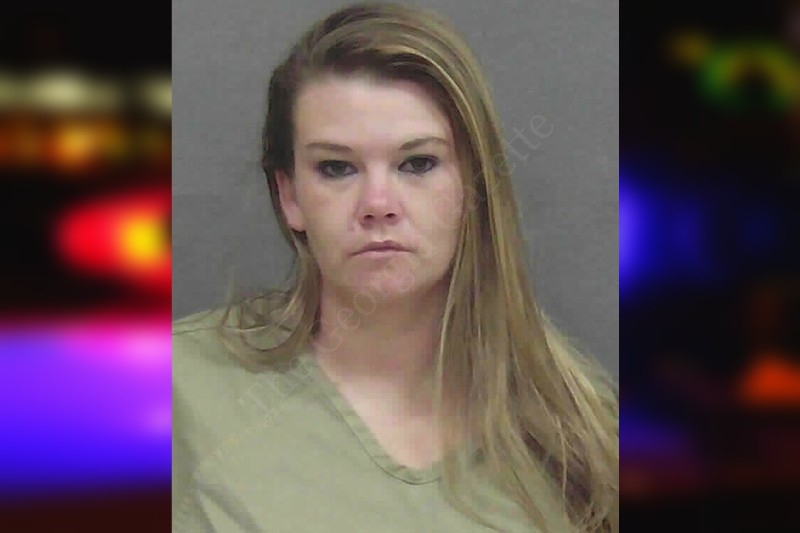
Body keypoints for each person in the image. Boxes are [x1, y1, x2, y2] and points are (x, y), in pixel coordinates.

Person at [172, 2, 618, 532]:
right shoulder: (174, 393)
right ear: (289, 195)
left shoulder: (580, 433)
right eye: (336, 168)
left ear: (472, 183)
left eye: (418, 163)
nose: (377, 204)